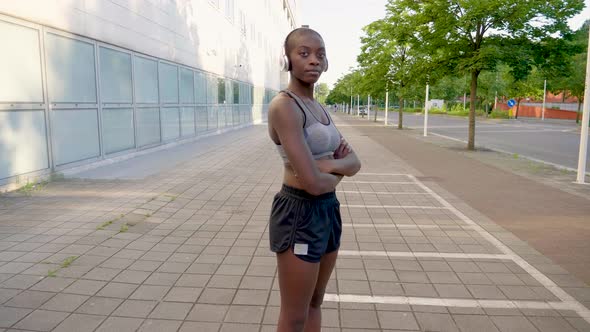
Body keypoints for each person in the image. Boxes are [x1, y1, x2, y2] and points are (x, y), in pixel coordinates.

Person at [267, 27, 362, 332]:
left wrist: (325, 165)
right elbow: (312, 184)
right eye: (303, 53)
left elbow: (356, 162)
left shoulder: (320, 108)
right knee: (295, 315)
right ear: (287, 61)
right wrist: (336, 168)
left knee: (315, 303)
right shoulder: (284, 106)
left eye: (319, 54)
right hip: (299, 212)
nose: (313, 60)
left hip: (328, 210)